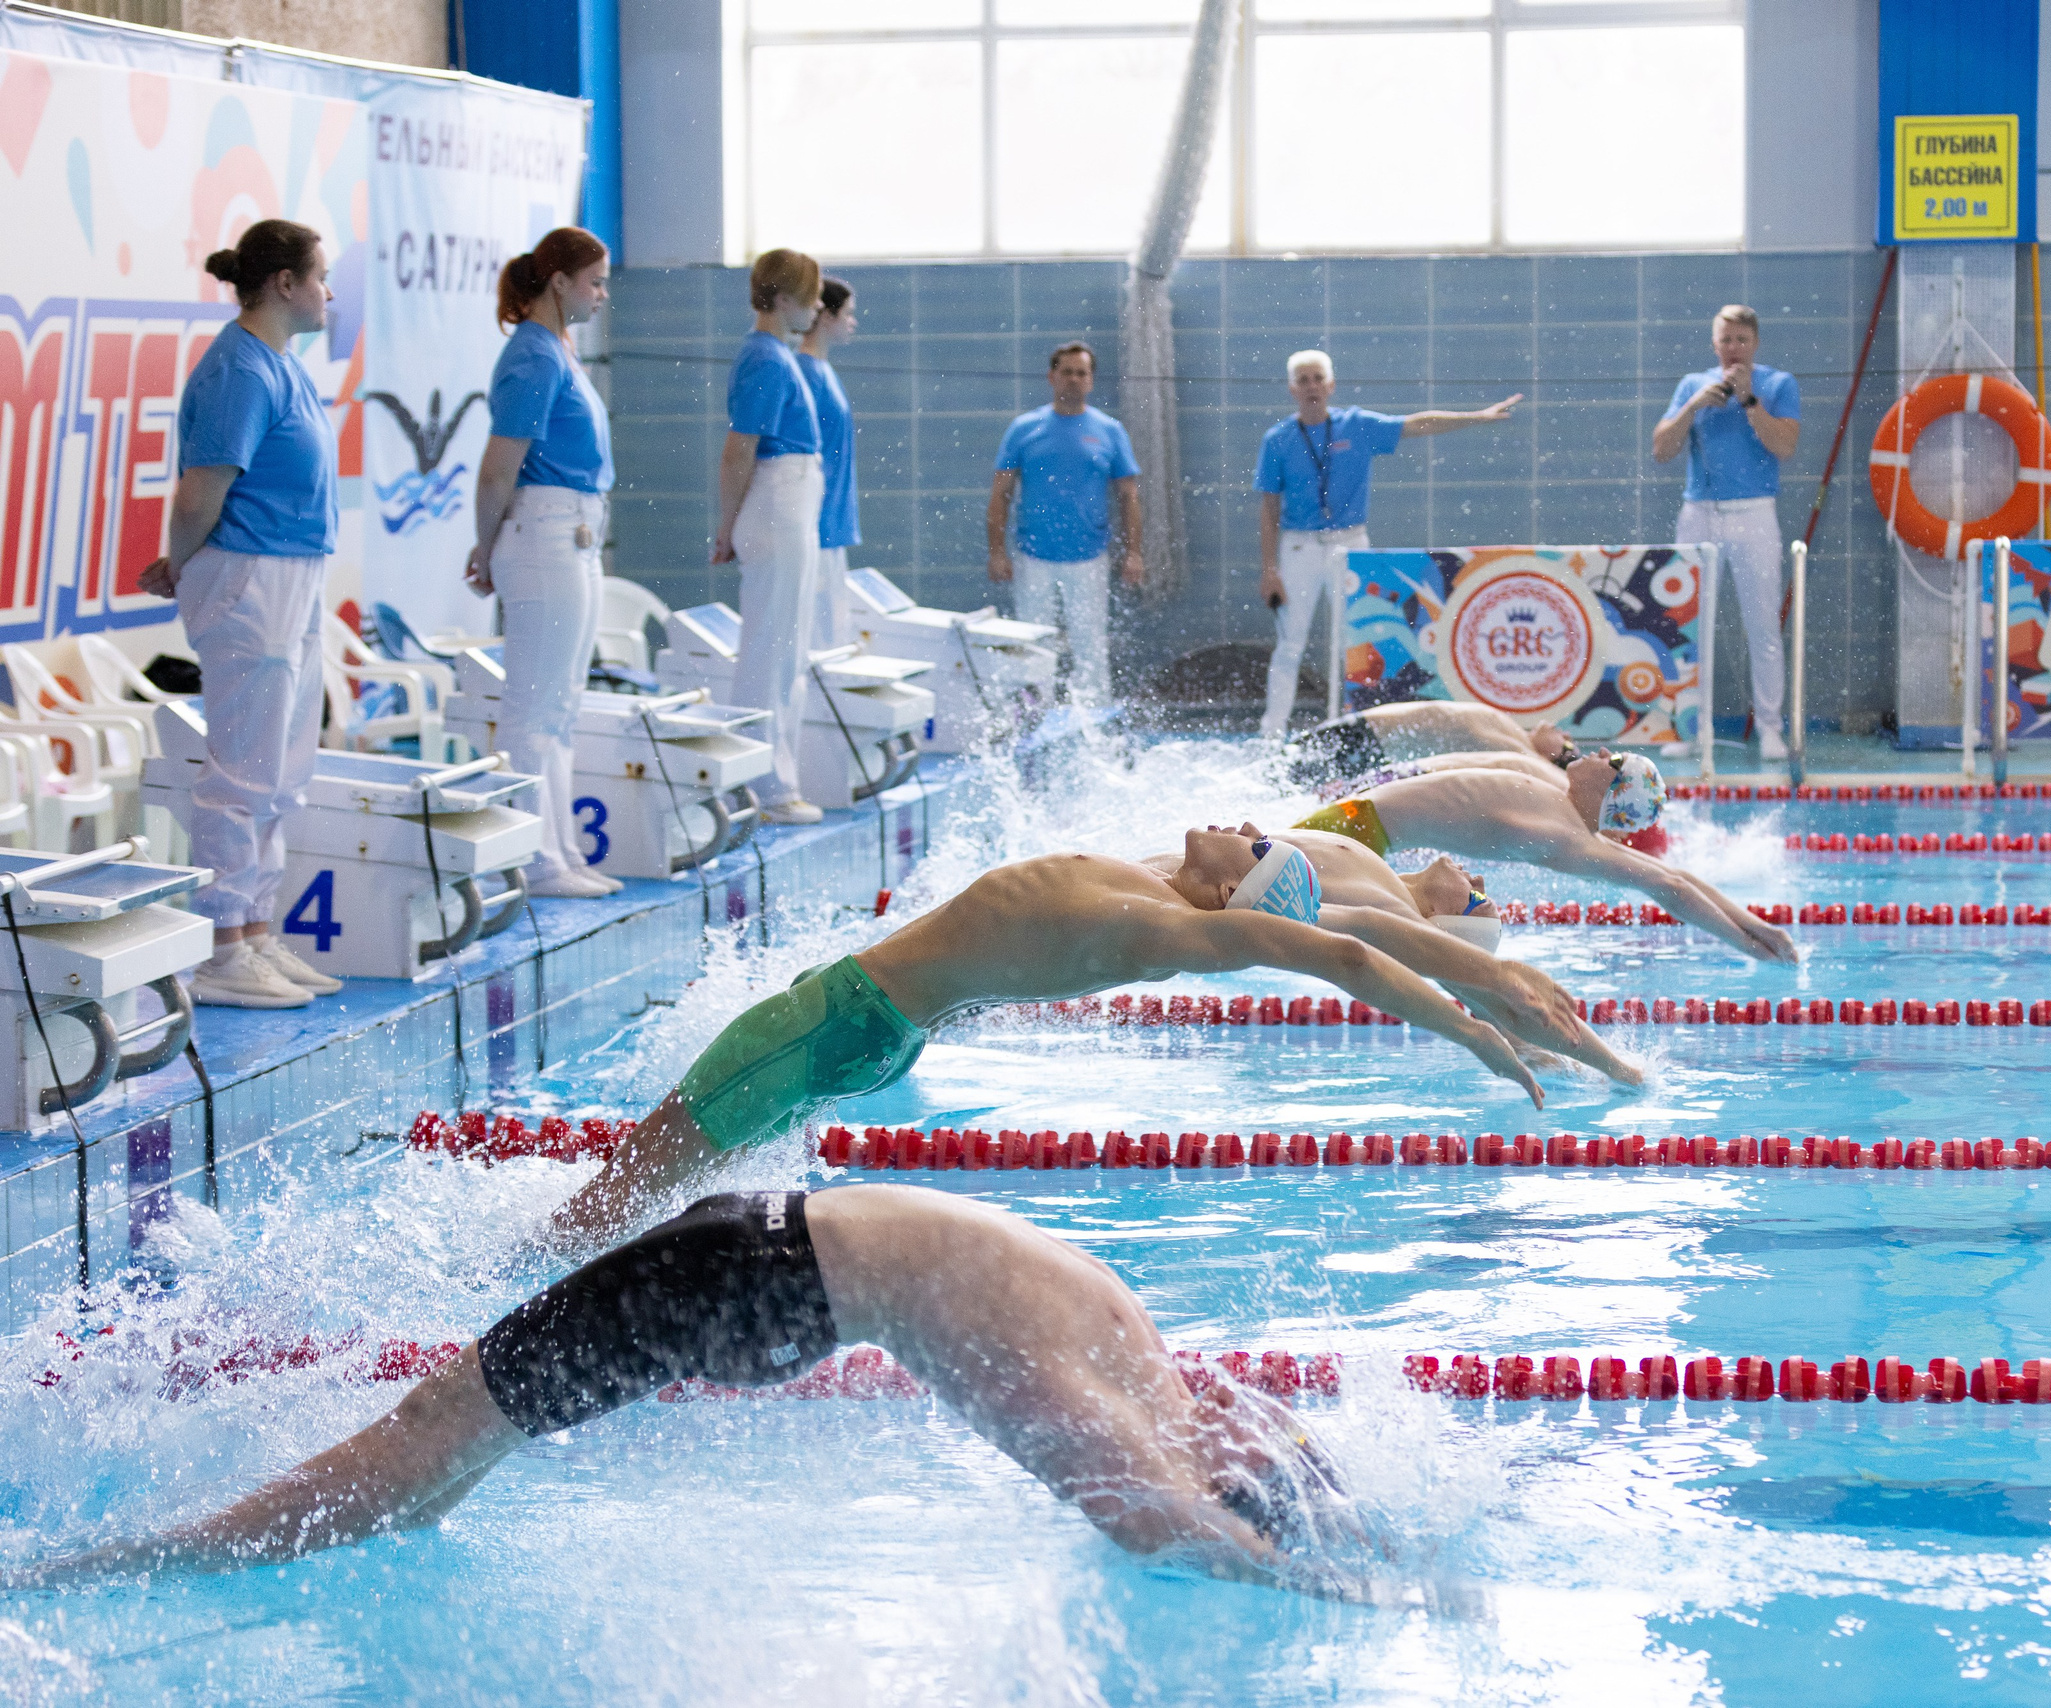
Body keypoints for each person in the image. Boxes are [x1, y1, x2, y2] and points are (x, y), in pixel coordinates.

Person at [9, 1186, 1361, 1591]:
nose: (1259, 1415)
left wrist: (1309, 1501)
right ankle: (124, 1561)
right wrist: (1338, 1586)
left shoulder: (1143, 1350)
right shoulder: (1114, 1406)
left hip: (760, 1253)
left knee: (437, 1452)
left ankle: (163, 1546)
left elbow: (1224, 1458)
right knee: (428, 1441)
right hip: (741, 1276)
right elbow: (1148, 1514)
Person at [546, 829, 1551, 1245]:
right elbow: (1339, 929)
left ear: (1233, 889)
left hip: (838, 1021)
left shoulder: (1162, 924)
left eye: (1249, 841)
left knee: (612, 1195)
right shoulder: (1155, 889)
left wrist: (1468, 1029)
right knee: (660, 1185)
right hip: (872, 1029)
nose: (1236, 822)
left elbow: (1341, 959)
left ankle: (503, 1279)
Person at [137, 221, 340, 1009]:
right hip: (251, 578)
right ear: (285, 283)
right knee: (242, 769)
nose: (329, 293)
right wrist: (181, 563)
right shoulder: (240, 372)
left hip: (290, 573)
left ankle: (256, 929)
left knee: (282, 769)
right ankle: (222, 943)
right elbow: (199, 491)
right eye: (321, 277)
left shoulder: (279, 366)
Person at [1141, 826, 1641, 1087]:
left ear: (1437, 926)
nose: (1480, 882)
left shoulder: (1389, 910)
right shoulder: (1385, 879)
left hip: (1179, 884)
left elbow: (1497, 998)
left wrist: (1615, 1067)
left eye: (1474, 900)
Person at [1291, 754, 1796, 960]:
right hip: (1358, 829)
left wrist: (1748, 942)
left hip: (1355, 831)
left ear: (1613, 795)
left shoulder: (1565, 835)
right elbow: (1674, 873)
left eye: (1612, 763)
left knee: (1244, 882)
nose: (1598, 754)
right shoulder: (1562, 803)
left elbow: (1669, 887)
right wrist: (1757, 923)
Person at [465, 226, 619, 900]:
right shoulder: (531, 355)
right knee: (533, 707)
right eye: (595, 280)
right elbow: (498, 470)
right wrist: (485, 546)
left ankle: (558, 850)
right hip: (543, 536)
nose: (602, 294)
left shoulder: (559, 351)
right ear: (559, 282)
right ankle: (534, 858)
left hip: (574, 534)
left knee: (562, 705)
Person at [1256, 353, 1521, 738]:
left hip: (1350, 544)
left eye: (1318, 379)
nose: (1311, 386)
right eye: (1303, 380)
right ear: (1292, 388)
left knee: (1358, 640)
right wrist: (1269, 569)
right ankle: (1272, 734)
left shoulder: (1357, 426)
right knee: (1289, 644)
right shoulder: (1278, 439)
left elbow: (1418, 424)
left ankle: (1354, 731)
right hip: (1299, 548)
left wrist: (1477, 416)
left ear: (1331, 386)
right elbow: (1268, 507)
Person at [1651, 306, 1801, 763]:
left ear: (1755, 343)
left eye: (1741, 340)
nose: (1733, 348)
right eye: (1725, 340)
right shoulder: (1692, 385)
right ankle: (1689, 724)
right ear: (1714, 344)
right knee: (1687, 624)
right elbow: (1661, 450)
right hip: (1699, 512)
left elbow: (1785, 446)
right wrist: (1694, 407)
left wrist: (1750, 400)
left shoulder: (1778, 385)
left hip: (1754, 513)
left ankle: (1771, 728)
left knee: (1763, 626)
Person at [713, 249, 827, 826]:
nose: (816, 308)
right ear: (782, 300)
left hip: (790, 505)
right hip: (778, 505)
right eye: (810, 297)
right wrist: (725, 527)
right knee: (771, 651)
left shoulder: (778, 356)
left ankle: (773, 779)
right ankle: (765, 786)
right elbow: (739, 451)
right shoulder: (764, 358)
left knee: (786, 649)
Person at [987, 342, 1139, 705]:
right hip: (1033, 557)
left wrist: (1134, 552)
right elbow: (1001, 493)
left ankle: (1097, 728)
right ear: (1051, 377)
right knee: (1033, 646)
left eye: (1081, 373)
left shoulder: (1109, 430)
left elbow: (1129, 496)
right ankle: (1031, 722)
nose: (1073, 379)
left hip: (1088, 557)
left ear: (1091, 380)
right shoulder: (1024, 429)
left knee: (1091, 647)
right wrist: (997, 551)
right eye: (1067, 372)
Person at [1285, 703, 1571, 788]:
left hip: (1364, 742)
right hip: (1363, 734)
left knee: (1280, 776)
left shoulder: (1518, 751)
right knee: (1280, 773)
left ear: (1554, 755)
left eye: (1565, 741)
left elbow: (1552, 778)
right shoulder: (1514, 737)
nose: (1562, 731)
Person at [796, 277, 860, 657]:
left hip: (830, 526)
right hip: (815, 527)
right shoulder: (805, 372)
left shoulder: (823, 370)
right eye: (848, 314)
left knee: (835, 638)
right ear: (825, 314)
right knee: (819, 645)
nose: (853, 322)